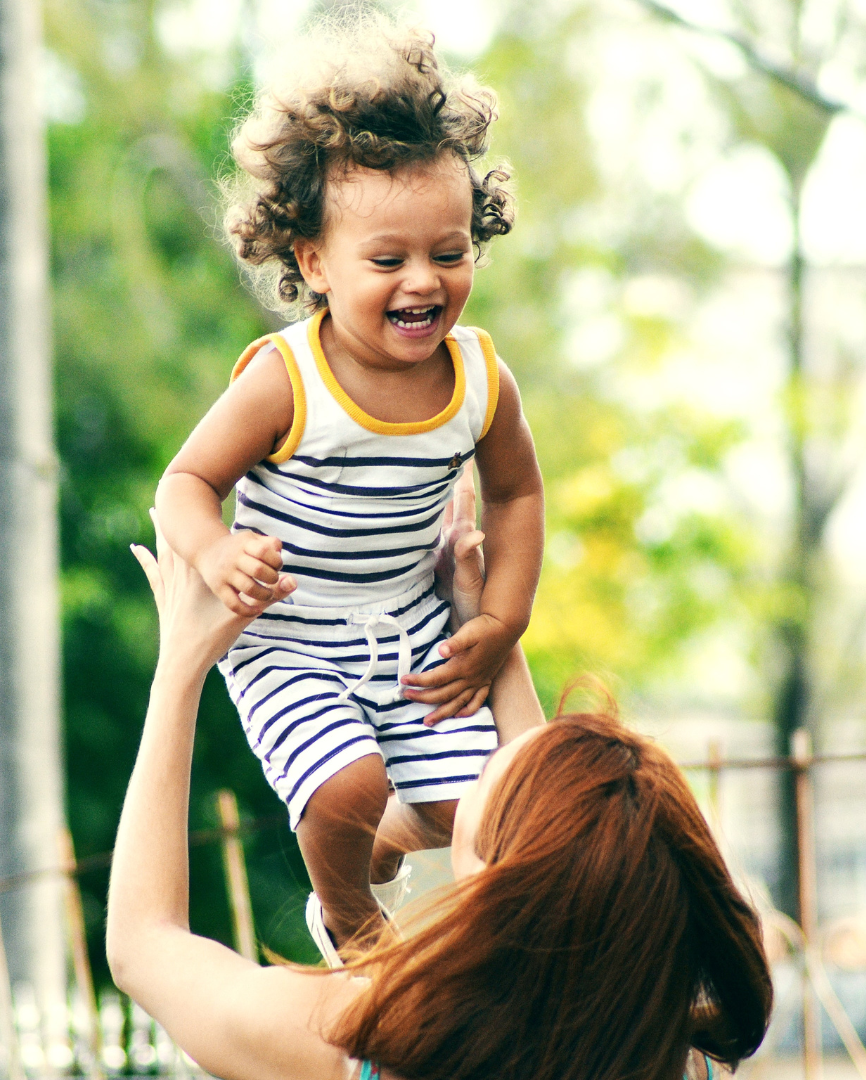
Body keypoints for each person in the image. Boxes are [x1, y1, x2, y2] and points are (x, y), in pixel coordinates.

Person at [110, 509, 773, 1080]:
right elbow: (564, 852)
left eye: (485, 776)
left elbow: (144, 945)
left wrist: (178, 670)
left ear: (492, 883)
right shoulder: (673, 1054)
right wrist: (482, 629)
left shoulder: (358, 1042)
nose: (480, 760)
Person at [152, 10, 545, 951]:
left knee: (478, 812)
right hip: (291, 637)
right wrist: (216, 550)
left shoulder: (480, 378)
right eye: (388, 260)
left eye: (449, 254)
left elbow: (520, 495)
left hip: (409, 627)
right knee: (346, 787)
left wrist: (499, 623)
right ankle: (351, 921)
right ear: (312, 261)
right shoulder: (288, 381)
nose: (423, 282)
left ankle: (378, 839)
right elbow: (183, 483)